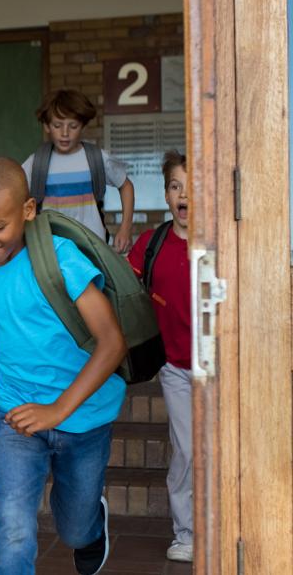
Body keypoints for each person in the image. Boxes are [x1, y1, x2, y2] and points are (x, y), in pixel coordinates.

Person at [0, 155, 127, 575]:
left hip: (83, 417)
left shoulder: (60, 260)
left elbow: (112, 342)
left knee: (74, 529)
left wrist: (57, 410)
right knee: (12, 526)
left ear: (28, 211)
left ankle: (90, 528)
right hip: (16, 417)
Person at [126, 149, 193, 563]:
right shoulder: (152, 244)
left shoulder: (228, 241)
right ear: (167, 195)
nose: (184, 195)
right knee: (186, 449)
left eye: (194, 186)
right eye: (175, 186)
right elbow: (126, 288)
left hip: (225, 367)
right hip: (176, 367)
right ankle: (186, 532)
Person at [23, 89, 135, 252]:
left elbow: (126, 186)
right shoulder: (37, 162)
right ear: (47, 126)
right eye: (57, 125)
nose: (65, 133)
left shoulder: (97, 158)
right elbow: (14, 194)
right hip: (51, 249)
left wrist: (125, 228)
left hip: (92, 248)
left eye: (73, 126)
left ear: (82, 126)